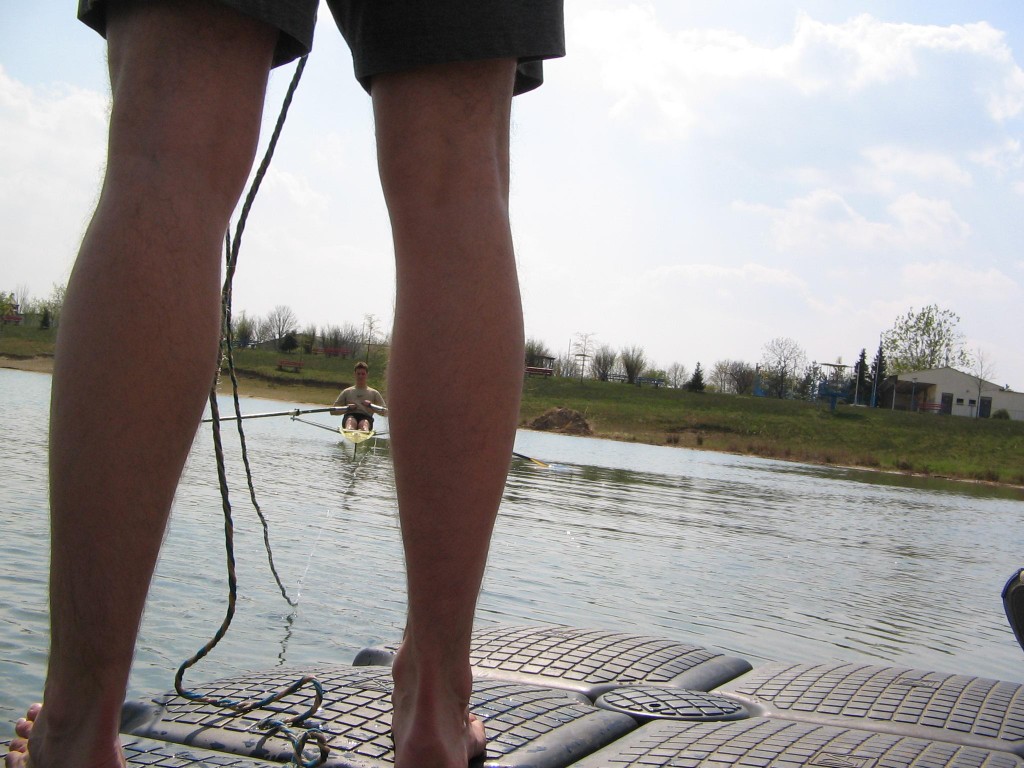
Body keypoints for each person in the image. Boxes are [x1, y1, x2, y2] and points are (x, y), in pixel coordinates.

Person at [5, 2, 564, 768]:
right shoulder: (353, 402)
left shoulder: (362, 403)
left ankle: (76, 728)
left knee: (168, 149)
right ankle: (435, 710)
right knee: (457, 182)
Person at [332, 361, 387, 431]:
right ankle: (350, 430)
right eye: (358, 374)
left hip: (366, 417)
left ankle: (364, 431)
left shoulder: (374, 393)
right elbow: (332, 411)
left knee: (364, 424)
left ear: (367, 375)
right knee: (350, 422)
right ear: (354, 374)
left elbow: (385, 412)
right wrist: (347, 408)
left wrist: (371, 406)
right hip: (350, 416)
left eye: (363, 374)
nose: (360, 376)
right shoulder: (346, 392)